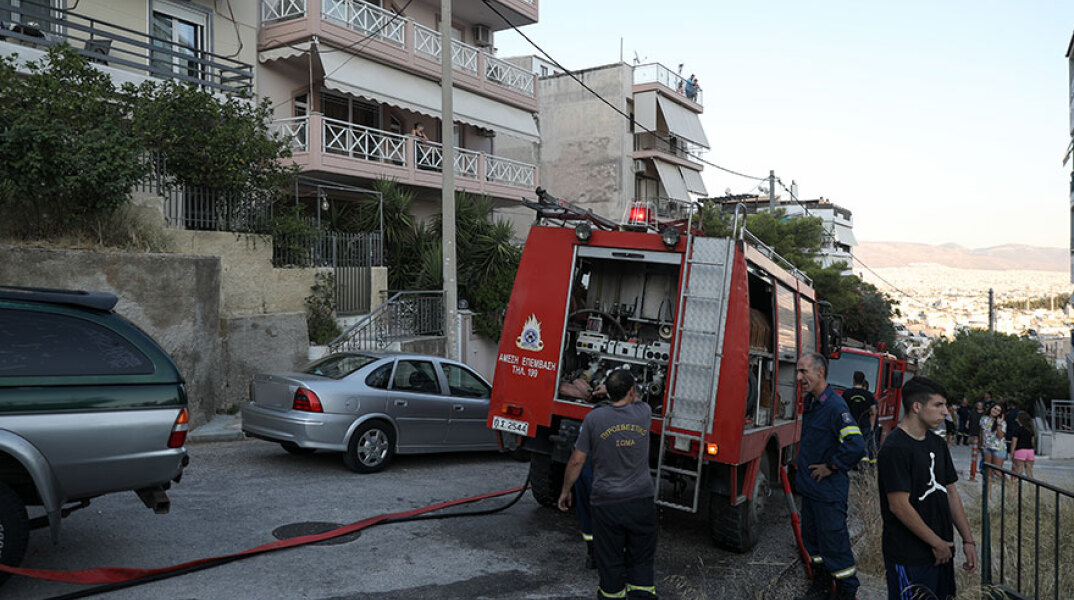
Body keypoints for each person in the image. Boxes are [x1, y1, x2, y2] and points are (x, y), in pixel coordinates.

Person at [558, 370, 658, 600]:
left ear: (608, 393)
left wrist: (565, 490)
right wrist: (625, 389)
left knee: (610, 563)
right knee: (641, 563)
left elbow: (576, 461)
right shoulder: (644, 413)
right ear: (631, 391)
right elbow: (640, 396)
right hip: (641, 502)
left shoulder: (595, 419)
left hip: (607, 505)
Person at [878, 376, 977, 600]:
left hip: (942, 552)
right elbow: (899, 506)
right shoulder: (895, 448)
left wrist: (967, 540)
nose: (945, 412)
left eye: (946, 406)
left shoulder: (938, 444)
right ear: (916, 406)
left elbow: (951, 493)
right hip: (910, 554)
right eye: (938, 405)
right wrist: (936, 543)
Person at [794, 352, 866, 600]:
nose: (799, 377)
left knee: (835, 547)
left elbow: (856, 445)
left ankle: (847, 592)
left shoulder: (835, 406)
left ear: (820, 372)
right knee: (813, 544)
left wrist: (831, 466)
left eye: (804, 371)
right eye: (798, 371)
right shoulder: (812, 403)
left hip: (828, 493)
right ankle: (822, 587)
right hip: (812, 490)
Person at [844, 371, 878, 467]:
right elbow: (873, 412)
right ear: (863, 381)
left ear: (853, 380)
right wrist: (871, 427)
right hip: (865, 426)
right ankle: (863, 468)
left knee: (850, 446)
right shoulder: (869, 395)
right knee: (865, 447)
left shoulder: (847, 394)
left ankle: (850, 464)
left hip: (849, 427)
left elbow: (842, 410)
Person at [979, 403, 1006, 482]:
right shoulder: (983, 418)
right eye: (995, 408)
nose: (995, 411)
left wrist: (999, 424)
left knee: (997, 472)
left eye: (998, 410)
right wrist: (980, 445)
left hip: (998, 448)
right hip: (987, 447)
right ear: (991, 408)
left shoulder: (1002, 422)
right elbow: (981, 432)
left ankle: (1010, 487)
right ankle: (988, 493)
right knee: (988, 472)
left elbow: (1000, 436)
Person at [1010, 411, 1036, 479]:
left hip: (1020, 450)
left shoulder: (1017, 430)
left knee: (1018, 471)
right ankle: (1032, 487)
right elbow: (1033, 442)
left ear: (1019, 419)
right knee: (1029, 472)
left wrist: (1012, 453)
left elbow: (1014, 443)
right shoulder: (1031, 430)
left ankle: (1015, 487)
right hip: (1030, 451)